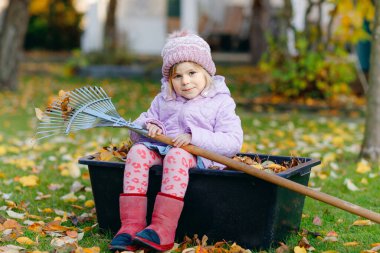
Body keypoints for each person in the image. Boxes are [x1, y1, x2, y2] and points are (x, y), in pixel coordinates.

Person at [109, 30, 243, 252]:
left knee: (177, 155)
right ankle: (131, 226)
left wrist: (194, 138)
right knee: (138, 152)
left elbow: (233, 141)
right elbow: (136, 132)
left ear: (206, 72)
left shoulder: (221, 102)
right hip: (163, 150)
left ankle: (162, 229)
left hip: (200, 158)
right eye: (177, 76)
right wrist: (149, 126)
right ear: (169, 79)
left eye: (192, 72)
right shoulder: (164, 99)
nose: (185, 81)